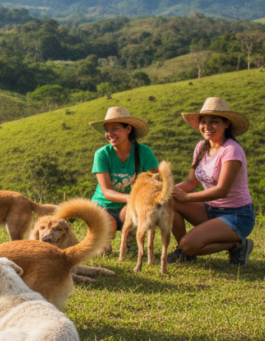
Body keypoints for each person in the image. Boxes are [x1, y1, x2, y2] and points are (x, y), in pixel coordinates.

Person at [168, 97, 255, 266]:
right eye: (203, 121)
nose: (207, 127)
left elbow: (222, 190)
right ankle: (186, 252)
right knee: (168, 201)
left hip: (237, 215)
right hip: (210, 209)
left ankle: (238, 244)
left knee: (188, 244)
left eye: (214, 121)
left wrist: (186, 197)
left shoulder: (231, 150)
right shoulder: (201, 147)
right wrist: (166, 190)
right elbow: (191, 182)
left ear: (226, 124)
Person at [89, 107, 159, 242]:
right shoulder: (102, 154)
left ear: (128, 129)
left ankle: (131, 241)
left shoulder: (144, 152)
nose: (110, 134)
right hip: (103, 205)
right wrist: (131, 198)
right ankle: (102, 243)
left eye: (115, 129)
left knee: (128, 216)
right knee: (107, 232)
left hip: (130, 206)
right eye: (106, 130)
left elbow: (156, 181)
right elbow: (106, 191)